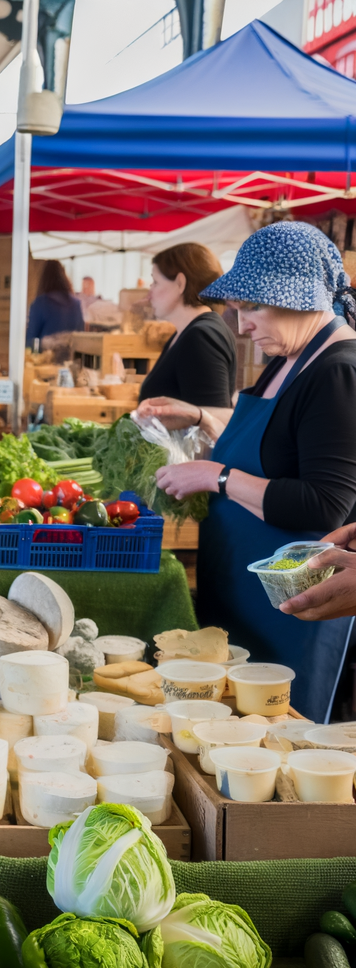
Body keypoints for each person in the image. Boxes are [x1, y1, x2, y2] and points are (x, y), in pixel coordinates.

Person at [147, 221, 356, 723]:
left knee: (282, 745)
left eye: (252, 308)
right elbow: (275, 453)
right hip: (246, 592)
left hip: (296, 609)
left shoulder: (338, 369)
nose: (240, 327)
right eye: (238, 310)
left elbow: (324, 503)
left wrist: (215, 477)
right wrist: (197, 419)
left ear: (304, 299)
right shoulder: (289, 356)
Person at [137, 243, 237, 414]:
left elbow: (213, 420)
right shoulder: (186, 332)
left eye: (155, 282)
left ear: (180, 283)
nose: (149, 293)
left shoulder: (202, 336)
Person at [27, 260, 84, 346]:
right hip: (71, 357)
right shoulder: (76, 304)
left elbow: (31, 339)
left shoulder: (40, 303)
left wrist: (34, 356)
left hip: (47, 357)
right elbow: (81, 336)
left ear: (43, 279)